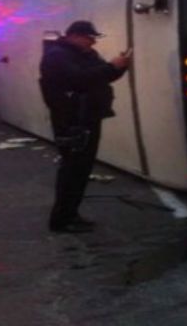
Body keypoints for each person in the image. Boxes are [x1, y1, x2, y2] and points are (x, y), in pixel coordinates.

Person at [39, 20, 130, 233]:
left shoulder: (84, 54)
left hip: (88, 116)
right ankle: (62, 219)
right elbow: (78, 80)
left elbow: (101, 77)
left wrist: (120, 67)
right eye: (89, 38)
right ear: (74, 36)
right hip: (71, 120)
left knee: (81, 170)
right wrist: (111, 67)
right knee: (72, 170)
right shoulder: (57, 55)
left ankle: (71, 214)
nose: (93, 42)